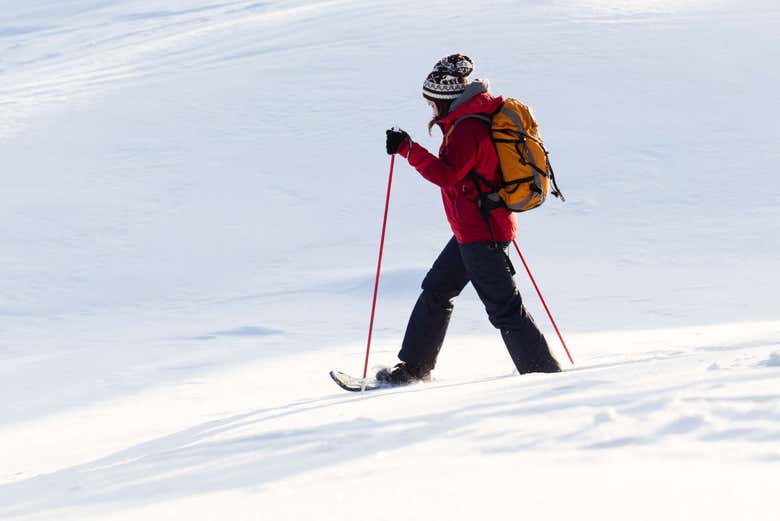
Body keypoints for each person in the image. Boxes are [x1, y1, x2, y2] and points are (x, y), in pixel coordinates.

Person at [379, 53, 561, 384]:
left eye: (432, 102)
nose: (430, 108)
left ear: (446, 100)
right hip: (473, 230)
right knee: (437, 289)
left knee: (504, 309)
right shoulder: (468, 120)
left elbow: (447, 175)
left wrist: (409, 150)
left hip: (482, 232)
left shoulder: (468, 128)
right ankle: (413, 369)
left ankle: (546, 378)